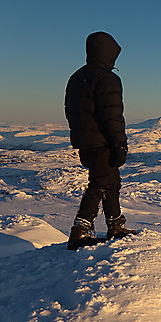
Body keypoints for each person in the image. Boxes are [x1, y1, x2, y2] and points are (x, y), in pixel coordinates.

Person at [64, 31, 138, 250]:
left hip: (84, 140)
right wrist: (119, 143)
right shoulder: (107, 78)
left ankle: (115, 224)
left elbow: (71, 111)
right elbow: (112, 115)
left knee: (112, 181)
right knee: (100, 184)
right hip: (102, 141)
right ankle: (80, 231)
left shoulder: (77, 76)